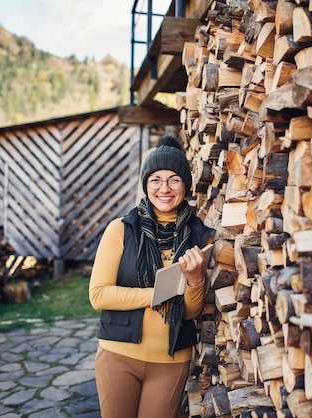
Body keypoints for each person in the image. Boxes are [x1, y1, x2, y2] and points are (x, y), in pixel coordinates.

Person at [89, 134, 214, 418]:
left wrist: (195, 281)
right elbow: (98, 295)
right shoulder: (121, 229)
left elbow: (189, 313)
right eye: (155, 179)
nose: (164, 188)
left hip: (171, 361)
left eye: (174, 179)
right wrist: (159, 294)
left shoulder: (198, 236)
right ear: (146, 185)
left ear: (186, 185)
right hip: (118, 355)